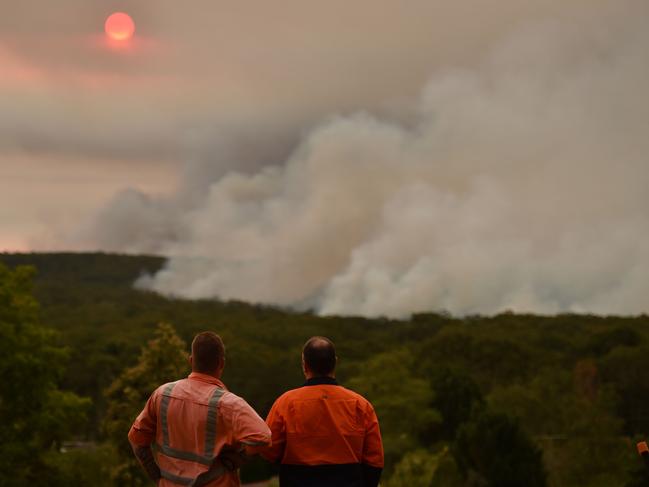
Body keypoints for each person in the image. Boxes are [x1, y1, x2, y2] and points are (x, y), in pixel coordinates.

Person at [128, 331, 271, 486]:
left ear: (191, 360)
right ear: (221, 363)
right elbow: (262, 438)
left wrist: (157, 477)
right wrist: (234, 461)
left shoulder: (162, 394)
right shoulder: (229, 404)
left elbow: (136, 440)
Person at [261, 336, 384, 487]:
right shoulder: (360, 404)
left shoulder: (286, 403)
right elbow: (374, 459)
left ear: (304, 365)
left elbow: (269, 449)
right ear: (335, 363)